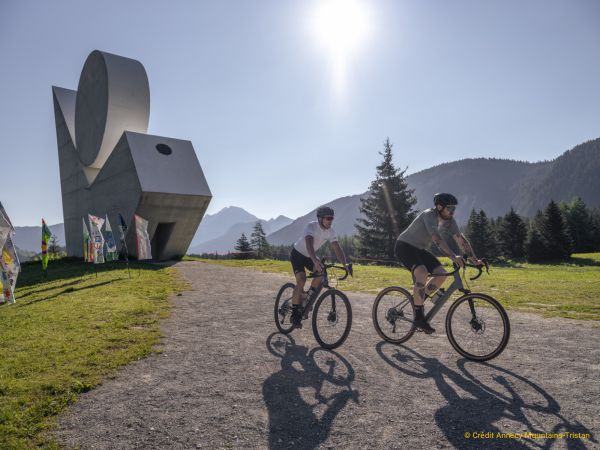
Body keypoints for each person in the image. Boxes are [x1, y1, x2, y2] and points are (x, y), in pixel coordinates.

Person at [395, 193, 482, 334]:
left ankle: (419, 300)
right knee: (422, 273)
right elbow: (437, 239)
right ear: (439, 207)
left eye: (454, 208)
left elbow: (461, 240)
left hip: (420, 249)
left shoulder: (450, 221)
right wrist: (453, 257)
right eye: (450, 208)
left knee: (441, 274)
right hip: (404, 246)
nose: (452, 211)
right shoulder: (429, 215)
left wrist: (475, 260)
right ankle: (418, 317)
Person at [289, 206, 351, 328]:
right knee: (301, 279)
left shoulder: (331, 231)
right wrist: (314, 260)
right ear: (320, 218)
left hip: (310, 256)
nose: (330, 221)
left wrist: (346, 264)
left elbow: (337, 248)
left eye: (332, 218)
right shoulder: (311, 227)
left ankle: (307, 296)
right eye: (328, 218)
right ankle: (294, 314)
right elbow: (309, 245)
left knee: (322, 273)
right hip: (298, 254)